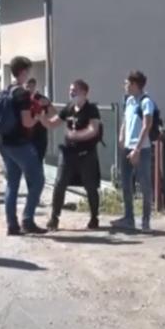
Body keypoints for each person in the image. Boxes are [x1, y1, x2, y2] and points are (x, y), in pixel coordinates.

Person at [39, 79, 102, 231]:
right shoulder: (69, 108)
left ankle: (94, 217)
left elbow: (94, 130)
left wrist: (76, 135)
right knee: (59, 183)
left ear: (84, 93)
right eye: (70, 89)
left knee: (90, 186)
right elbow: (52, 124)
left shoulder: (91, 109)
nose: (71, 92)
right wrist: (41, 117)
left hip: (86, 154)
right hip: (68, 153)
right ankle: (54, 218)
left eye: (75, 90)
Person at [0, 57, 47, 235]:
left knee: (12, 183)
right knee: (38, 180)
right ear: (23, 71)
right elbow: (26, 122)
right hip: (20, 144)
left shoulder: (5, 90)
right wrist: (38, 118)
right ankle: (27, 219)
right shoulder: (22, 94)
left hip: (4, 142)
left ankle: (12, 224)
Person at [115, 71, 157, 232]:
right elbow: (126, 120)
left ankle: (146, 221)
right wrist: (121, 135)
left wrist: (137, 149)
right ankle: (128, 218)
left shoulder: (146, 102)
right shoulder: (129, 101)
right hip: (127, 147)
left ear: (134, 84)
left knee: (145, 185)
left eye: (127, 83)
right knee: (126, 184)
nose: (125, 86)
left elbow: (147, 125)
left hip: (141, 149)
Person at [25, 78, 50, 168]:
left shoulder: (41, 99)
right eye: (27, 86)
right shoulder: (23, 99)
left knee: (38, 160)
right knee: (29, 162)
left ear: (35, 86)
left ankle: (38, 180)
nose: (29, 88)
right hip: (27, 135)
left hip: (40, 134)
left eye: (31, 86)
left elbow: (48, 113)